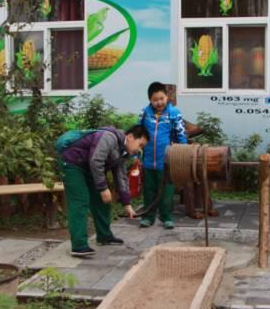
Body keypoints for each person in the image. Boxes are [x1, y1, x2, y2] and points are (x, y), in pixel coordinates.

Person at [59, 125, 148, 256]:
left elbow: (121, 177)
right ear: (130, 137)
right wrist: (103, 187)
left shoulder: (122, 152)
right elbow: (96, 161)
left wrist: (127, 204)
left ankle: (104, 236)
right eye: (140, 145)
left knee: (103, 200)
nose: (139, 150)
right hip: (72, 163)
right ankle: (78, 246)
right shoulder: (109, 137)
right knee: (80, 201)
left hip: (88, 168)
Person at [138, 82, 187, 229]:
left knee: (167, 189)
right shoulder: (145, 113)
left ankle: (166, 217)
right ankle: (148, 216)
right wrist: (136, 156)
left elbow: (181, 134)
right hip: (148, 159)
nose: (159, 102)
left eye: (161, 98)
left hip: (166, 160)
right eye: (155, 99)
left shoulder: (174, 113)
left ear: (167, 97)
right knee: (149, 189)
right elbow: (138, 133)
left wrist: (182, 153)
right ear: (150, 100)